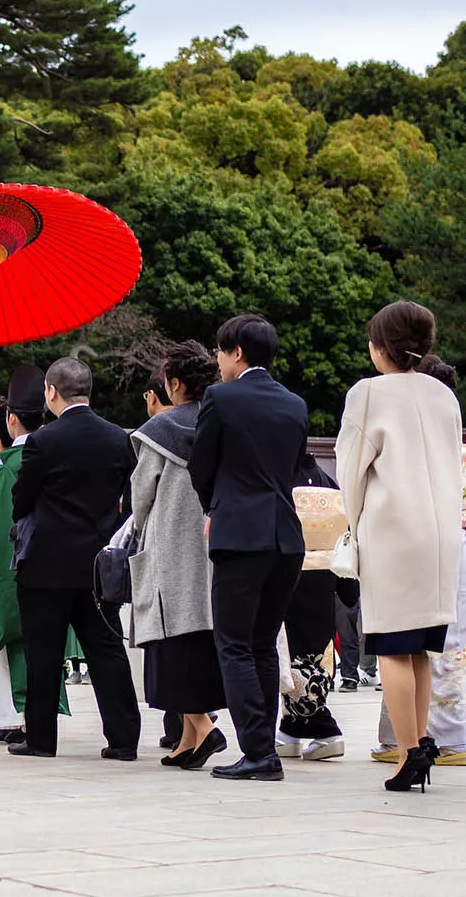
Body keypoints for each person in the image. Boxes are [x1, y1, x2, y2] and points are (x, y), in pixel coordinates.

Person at [336, 301, 462, 793]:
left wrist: (354, 522)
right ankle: (422, 739)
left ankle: (410, 752)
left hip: (393, 530)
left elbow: (351, 471)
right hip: (439, 535)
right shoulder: (442, 396)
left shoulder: (368, 394)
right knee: (421, 648)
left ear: (380, 348)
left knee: (391, 645)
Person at [189, 315, 309, 781]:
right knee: (263, 644)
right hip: (285, 535)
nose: (217, 362)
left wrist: (214, 508)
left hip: (240, 533)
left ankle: (258, 750)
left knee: (234, 644)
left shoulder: (221, 398)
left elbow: (202, 465)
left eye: (220, 352)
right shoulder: (295, 404)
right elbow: (294, 465)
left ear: (236, 352)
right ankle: (265, 749)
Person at [8, 357, 142, 760]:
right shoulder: (118, 438)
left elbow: (21, 501)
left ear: (51, 391)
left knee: (43, 653)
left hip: (46, 563)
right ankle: (123, 738)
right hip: (99, 564)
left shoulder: (44, 441)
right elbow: (131, 498)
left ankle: (41, 738)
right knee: (106, 650)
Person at [370, 365, 466, 767]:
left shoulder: (434, 451)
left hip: (417, 544)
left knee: (411, 645)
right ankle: (430, 737)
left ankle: (435, 739)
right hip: (450, 548)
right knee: (437, 647)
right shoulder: (457, 453)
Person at [128, 341, 229, 770]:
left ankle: (202, 728)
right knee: (201, 630)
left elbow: (140, 496)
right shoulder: (219, 423)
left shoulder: (160, 430)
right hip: (211, 542)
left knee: (173, 637)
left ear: (173, 383)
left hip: (170, 545)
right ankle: (187, 740)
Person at [0, 367, 57, 744]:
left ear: (12, 420)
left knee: (13, 646)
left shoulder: (7, 469)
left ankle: (20, 717)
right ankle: (34, 716)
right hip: (56, 564)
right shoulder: (53, 453)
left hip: (14, 567)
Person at [277, 455, 347, 762]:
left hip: (290, 571)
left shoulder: (280, 477)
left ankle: (324, 728)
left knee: (293, 650)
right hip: (325, 577)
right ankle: (292, 727)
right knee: (316, 652)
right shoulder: (326, 480)